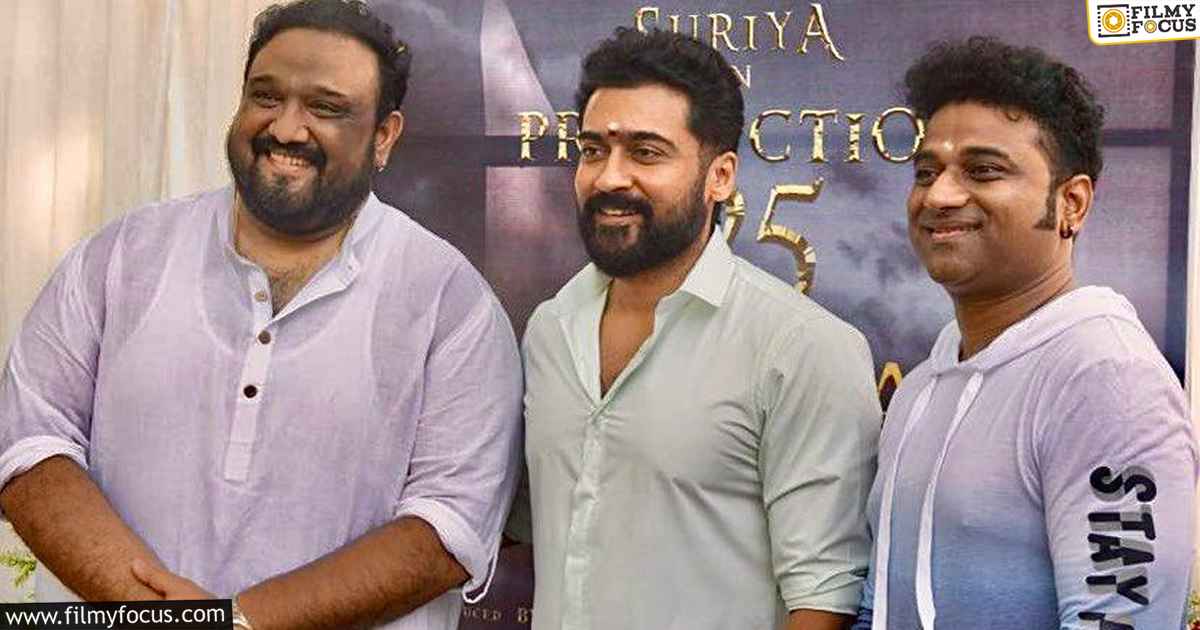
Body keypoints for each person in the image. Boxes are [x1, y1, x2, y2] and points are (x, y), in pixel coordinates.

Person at [0, 1, 523, 628]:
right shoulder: (119, 257)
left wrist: (239, 622)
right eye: (266, 96)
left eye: (326, 108)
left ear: (384, 136)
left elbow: (449, 526)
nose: (287, 128)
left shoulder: (451, 304)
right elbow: (28, 443)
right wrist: (160, 616)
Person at [517, 27, 881, 630]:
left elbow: (823, 598)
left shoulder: (801, 348)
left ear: (721, 176)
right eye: (593, 150)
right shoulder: (551, 330)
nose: (609, 178)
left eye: (646, 153)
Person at [853, 37, 1198, 629]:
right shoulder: (921, 386)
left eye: (983, 170)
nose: (939, 195)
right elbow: (878, 606)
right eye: (926, 172)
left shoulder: (1107, 381)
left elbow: (1117, 620)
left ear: (1072, 203)